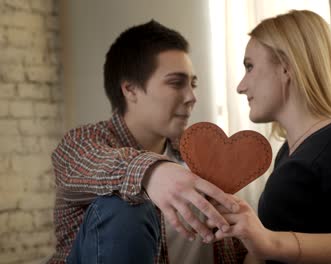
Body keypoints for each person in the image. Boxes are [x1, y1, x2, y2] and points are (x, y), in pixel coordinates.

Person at [210, 10, 331, 264]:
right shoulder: (288, 153)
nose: (240, 86)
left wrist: (270, 242)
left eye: (250, 67)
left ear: (286, 67)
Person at [48, 20, 246, 264]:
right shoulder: (83, 142)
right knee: (125, 203)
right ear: (130, 90)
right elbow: (80, 161)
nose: (191, 97)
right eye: (176, 83)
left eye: (192, 84)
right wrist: (151, 172)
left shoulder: (198, 155)